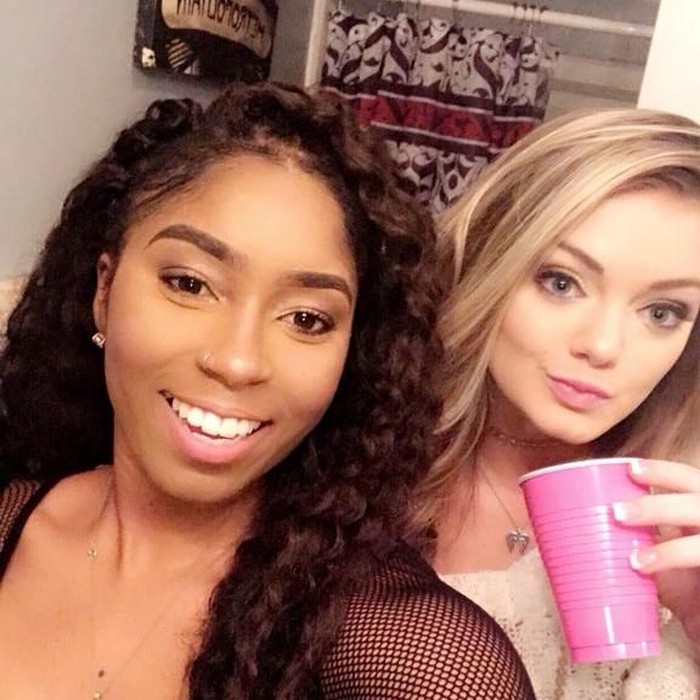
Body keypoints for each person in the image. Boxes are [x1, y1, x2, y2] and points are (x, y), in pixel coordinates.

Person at [0, 82, 535, 699]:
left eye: (306, 319)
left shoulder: (411, 649)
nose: (237, 361)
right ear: (104, 291)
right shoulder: (12, 514)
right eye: (190, 284)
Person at [411, 108, 700, 700]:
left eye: (662, 312)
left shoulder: (682, 523)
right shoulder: (355, 461)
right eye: (562, 282)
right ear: (489, 261)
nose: (602, 346)